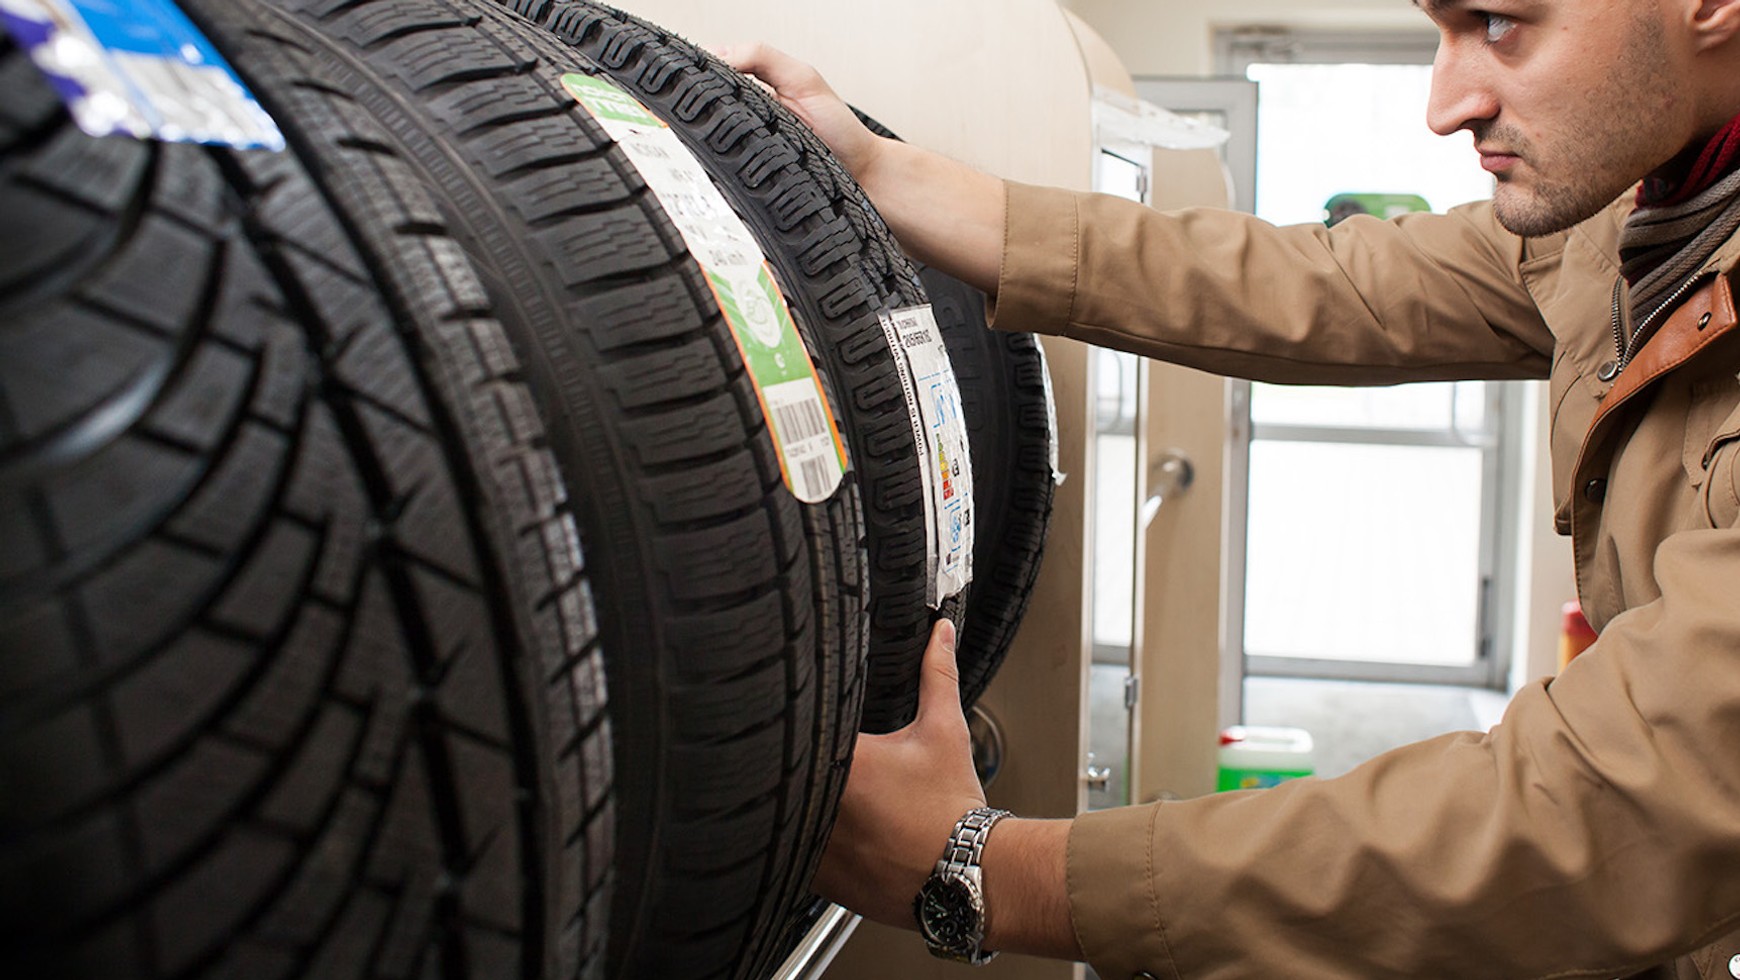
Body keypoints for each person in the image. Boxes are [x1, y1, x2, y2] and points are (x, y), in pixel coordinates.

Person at [722, 0, 1740, 976]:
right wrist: (878, 169)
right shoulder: (1631, 217)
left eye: (1501, 23)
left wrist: (992, 871)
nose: (1445, 106)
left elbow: (1615, 794)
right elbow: (1318, 283)